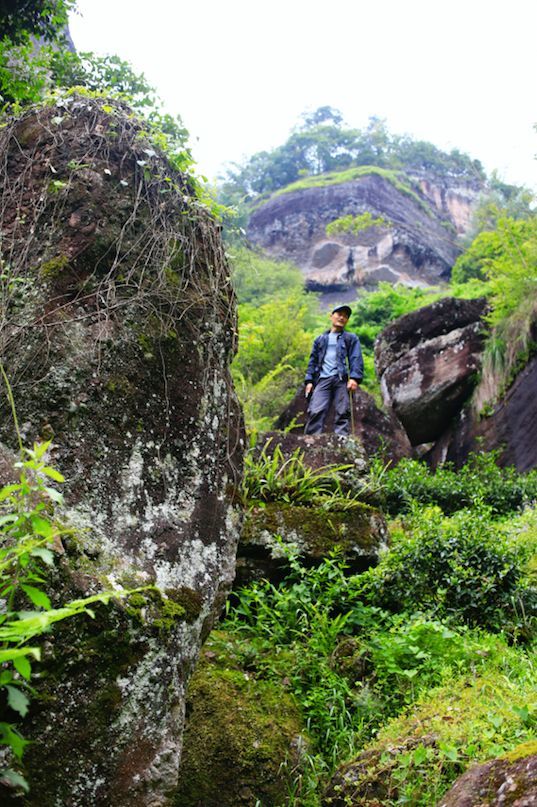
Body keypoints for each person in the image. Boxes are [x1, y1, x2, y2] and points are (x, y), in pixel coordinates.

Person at [304, 304, 363, 435]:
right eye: (339, 314)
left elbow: (355, 357)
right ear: (331, 316)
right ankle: (312, 442)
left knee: (343, 411)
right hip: (322, 379)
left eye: (345, 316)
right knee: (315, 410)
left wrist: (354, 378)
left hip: (340, 379)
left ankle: (341, 442)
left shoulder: (350, 338)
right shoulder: (320, 339)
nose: (342, 318)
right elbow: (312, 361)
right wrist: (309, 381)